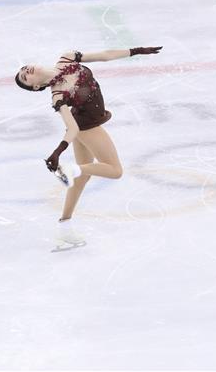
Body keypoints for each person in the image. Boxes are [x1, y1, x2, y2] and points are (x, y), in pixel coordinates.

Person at [14, 46, 163, 247]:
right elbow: (72, 128)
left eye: (24, 69)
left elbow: (105, 56)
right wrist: (58, 151)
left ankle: (64, 227)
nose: (26, 71)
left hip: (85, 124)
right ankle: (70, 170)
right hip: (86, 127)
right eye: (24, 77)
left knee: (82, 177)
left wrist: (135, 51)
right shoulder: (58, 95)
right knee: (115, 170)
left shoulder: (67, 58)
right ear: (35, 87)